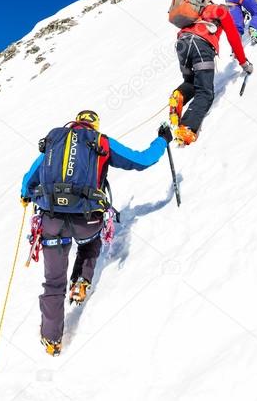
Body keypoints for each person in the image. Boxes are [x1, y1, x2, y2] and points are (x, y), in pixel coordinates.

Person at [21, 110, 169, 356]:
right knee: (90, 243)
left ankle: (51, 339)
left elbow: (28, 183)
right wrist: (162, 139)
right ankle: (81, 279)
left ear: (74, 123)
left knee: (53, 282)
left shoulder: (55, 143)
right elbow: (142, 160)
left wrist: (26, 196)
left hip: (52, 221)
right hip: (86, 221)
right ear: (94, 126)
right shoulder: (101, 142)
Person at [168, 0, 253, 146]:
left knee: (191, 81)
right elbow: (234, 38)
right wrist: (244, 63)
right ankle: (187, 128)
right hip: (201, 46)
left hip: (182, 44)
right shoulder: (220, 11)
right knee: (205, 92)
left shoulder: (195, 13)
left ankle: (179, 95)